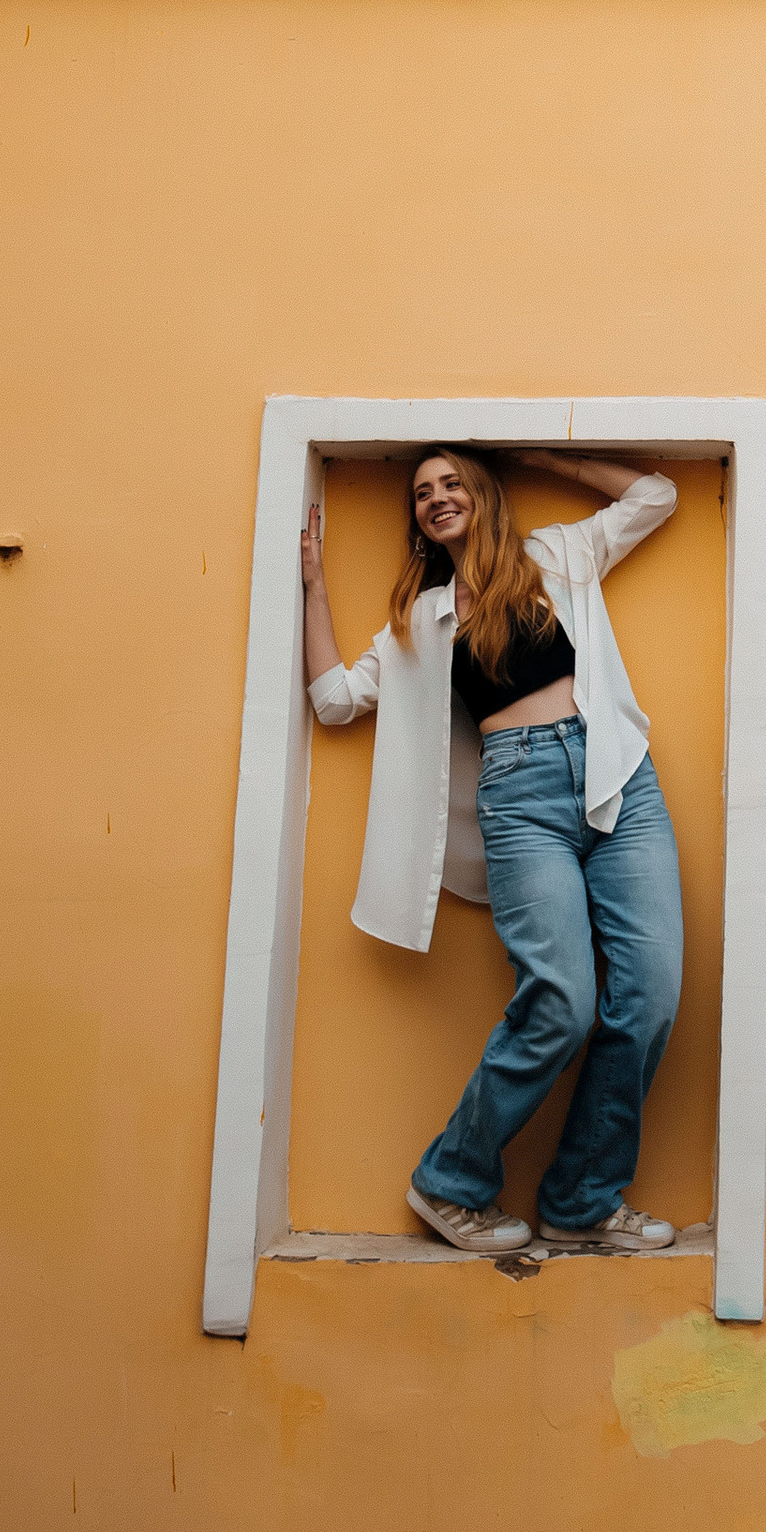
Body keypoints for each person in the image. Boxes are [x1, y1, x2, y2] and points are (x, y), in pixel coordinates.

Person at [301, 444, 684, 1258]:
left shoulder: (556, 554)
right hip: (519, 802)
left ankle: (581, 1200)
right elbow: (333, 701)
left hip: (620, 779)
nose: (436, 498)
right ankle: (451, 1181)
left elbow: (655, 495)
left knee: (647, 997)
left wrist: (546, 455)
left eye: (452, 483)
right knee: (562, 1001)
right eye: (421, 493)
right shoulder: (423, 621)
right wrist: (312, 588)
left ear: (482, 493)